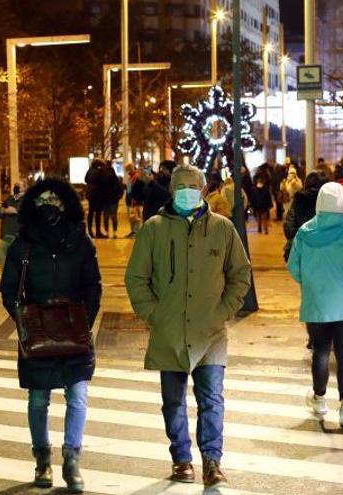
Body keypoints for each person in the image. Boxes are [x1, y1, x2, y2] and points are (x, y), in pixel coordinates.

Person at [125, 165, 251, 488]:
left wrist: (222, 311)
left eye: (193, 187)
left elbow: (240, 275)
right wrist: (154, 314)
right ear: (172, 191)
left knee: (211, 398)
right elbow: (136, 279)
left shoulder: (222, 229)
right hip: (170, 333)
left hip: (210, 334)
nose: (187, 192)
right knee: (174, 401)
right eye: (181, 187)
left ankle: (212, 460)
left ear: (203, 189)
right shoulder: (153, 230)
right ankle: (181, 458)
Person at [0, 178, 102, 492]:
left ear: (66, 204)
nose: (49, 206)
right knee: (38, 398)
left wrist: (85, 320)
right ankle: (42, 459)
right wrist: (24, 323)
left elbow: (93, 285)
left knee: (78, 396)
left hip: (74, 328)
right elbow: (8, 290)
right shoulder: (24, 243)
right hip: (38, 327)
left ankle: (72, 460)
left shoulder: (80, 241)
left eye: (55, 200)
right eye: (42, 200)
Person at [287, 183, 343, 429]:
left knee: (321, 352)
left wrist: (312, 281)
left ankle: (320, 399)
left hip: (317, 303)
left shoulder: (304, 232)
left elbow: (294, 268)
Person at [283, 171, 328, 262]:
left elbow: (289, 227)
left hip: (303, 250)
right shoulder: (328, 200)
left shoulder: (299, 199)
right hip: (326, 250)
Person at [0, 183, 25, 268]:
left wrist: (13, 210)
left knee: (16, 259)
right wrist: (3, 210)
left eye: (19, 185)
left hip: (16, 234)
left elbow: (20, 211)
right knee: (2, 258)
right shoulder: (10, 199)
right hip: (6, 234)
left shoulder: (26, 200)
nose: (16, 186)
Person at [84, 160, 106, 238]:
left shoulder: (89, 171)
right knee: (98, 213)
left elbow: (85, 179)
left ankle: (90, 231)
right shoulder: (99, 172)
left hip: (90, 194)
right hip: (98, 194)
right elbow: (103, 182)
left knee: (91, 212)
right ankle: (98, 231)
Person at [102, 165, 123, 238]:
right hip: (113, 201)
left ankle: (107, 232)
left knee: (106, 216)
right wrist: (118, 197)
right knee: (113, 216)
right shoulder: (116, 179)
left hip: (105, 201)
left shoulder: (103, 180)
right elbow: (121, 190)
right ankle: (114, 232)